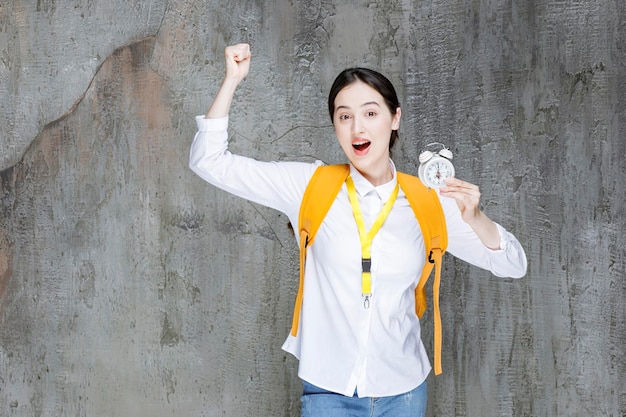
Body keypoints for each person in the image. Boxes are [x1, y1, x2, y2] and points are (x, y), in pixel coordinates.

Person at [189, 43, 527, 417]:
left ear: (394, 118)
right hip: (328, 393)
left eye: (370, 112)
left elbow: (513, 265)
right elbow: (210, 162)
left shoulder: (427, 201)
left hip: (403, 394)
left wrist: (475, 217)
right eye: (344, 116)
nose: (358, 127)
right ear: (334, 124)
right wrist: (232, 79)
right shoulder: (309, 186)